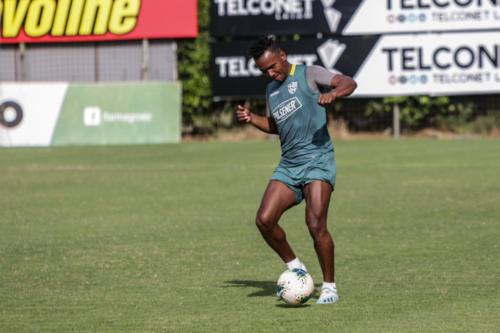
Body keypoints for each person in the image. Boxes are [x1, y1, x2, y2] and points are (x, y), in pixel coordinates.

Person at [235, 36, 357, 304]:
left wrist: (333, 93)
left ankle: (329, 287)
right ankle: (296, 267)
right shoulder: (272, 90)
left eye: (272, 67)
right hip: (289, 164)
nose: (270, 73)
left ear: (282, 55)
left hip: (317, 158)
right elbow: (276, 125)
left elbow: (349, 82)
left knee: (315, 224)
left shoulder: (309, 74)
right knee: (264, 220)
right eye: (264, 70)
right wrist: (251, 118)